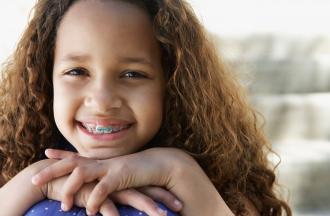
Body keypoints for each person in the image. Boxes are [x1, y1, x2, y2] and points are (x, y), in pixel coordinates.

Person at [0, 0, 292, 215]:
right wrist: (36, 181)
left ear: (173, 85)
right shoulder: (13, 167)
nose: (101, 101)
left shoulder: (220, 185)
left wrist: (179, 171)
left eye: (132, 74)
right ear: (45, 81)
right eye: (77, 71)